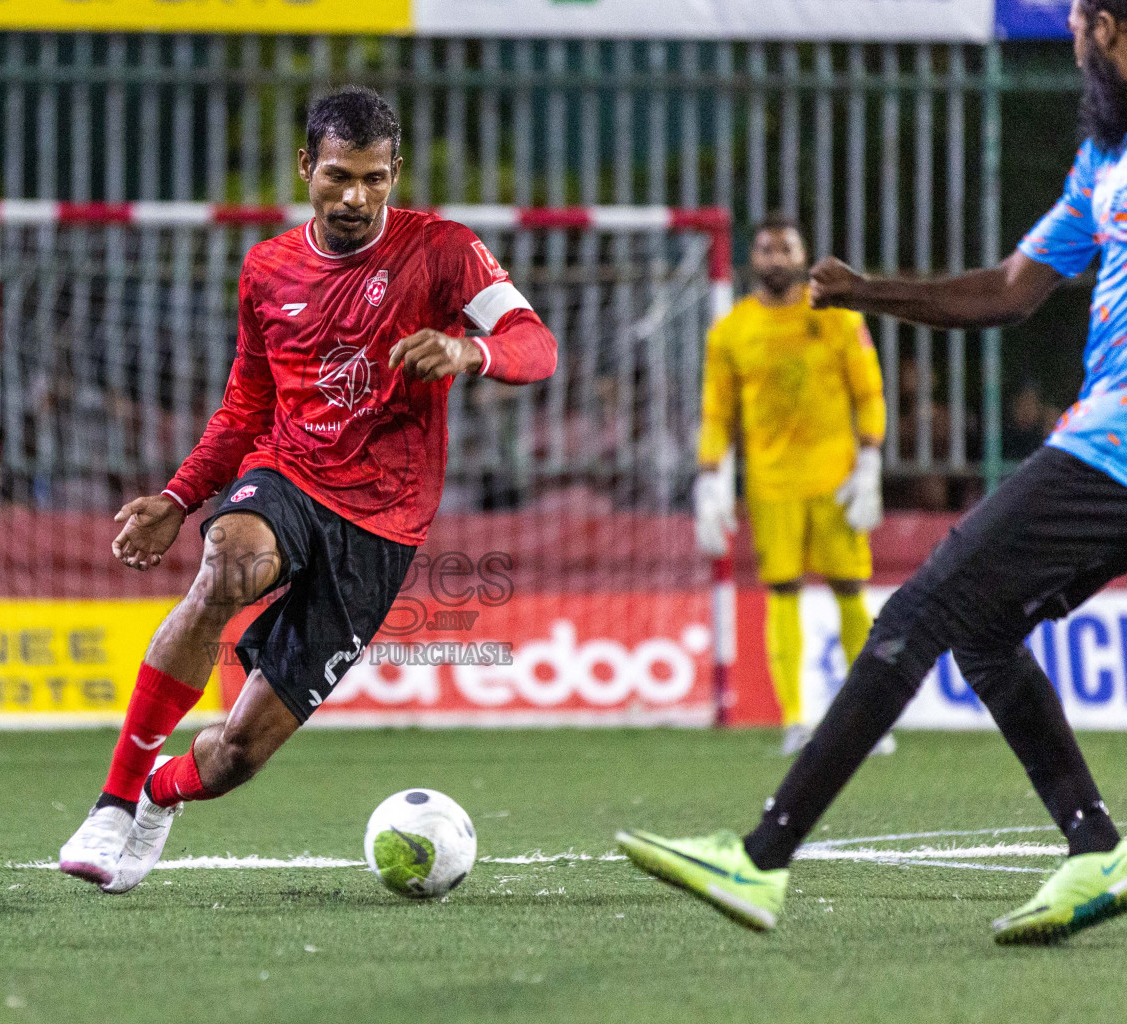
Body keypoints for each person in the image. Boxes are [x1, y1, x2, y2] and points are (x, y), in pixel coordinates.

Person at [617, 0, 1127, 944]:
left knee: (923, 609)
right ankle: (1095, 848)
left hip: (1112, 446)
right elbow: (1013, 290)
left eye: (1074, 21)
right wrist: (866, 292)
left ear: (1108, 27)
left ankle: (762, 858)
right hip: (1101, 447)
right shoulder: (1103, 159)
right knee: (983, 634)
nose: (1066, 35)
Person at [57, 86, 557, 893]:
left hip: (383, 527)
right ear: (305, 168)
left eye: (373, 178)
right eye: (336, 178)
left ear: (395, 172)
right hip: (288, 475)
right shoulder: (268, 268)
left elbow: (536, 343)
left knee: (235, 755)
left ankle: (159, 797)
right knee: (226, 562)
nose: (355, 197)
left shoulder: (446, 251)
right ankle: (113, 801)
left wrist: (473, 355)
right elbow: (245, 407)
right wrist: (180, 499)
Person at [693, 214, 890, 757]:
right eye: (766, 249)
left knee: (851, 588)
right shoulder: (731, 331)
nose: (776, 258)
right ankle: (796, 720)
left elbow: (868, 393)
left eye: (786, 248)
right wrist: (709, 479)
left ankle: (866, 717)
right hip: (771, 483)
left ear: (802, 256)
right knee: (782, 590)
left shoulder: (837, 319)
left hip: (836, 478)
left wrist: (870, 459)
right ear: (752, 259)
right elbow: (717, 413)